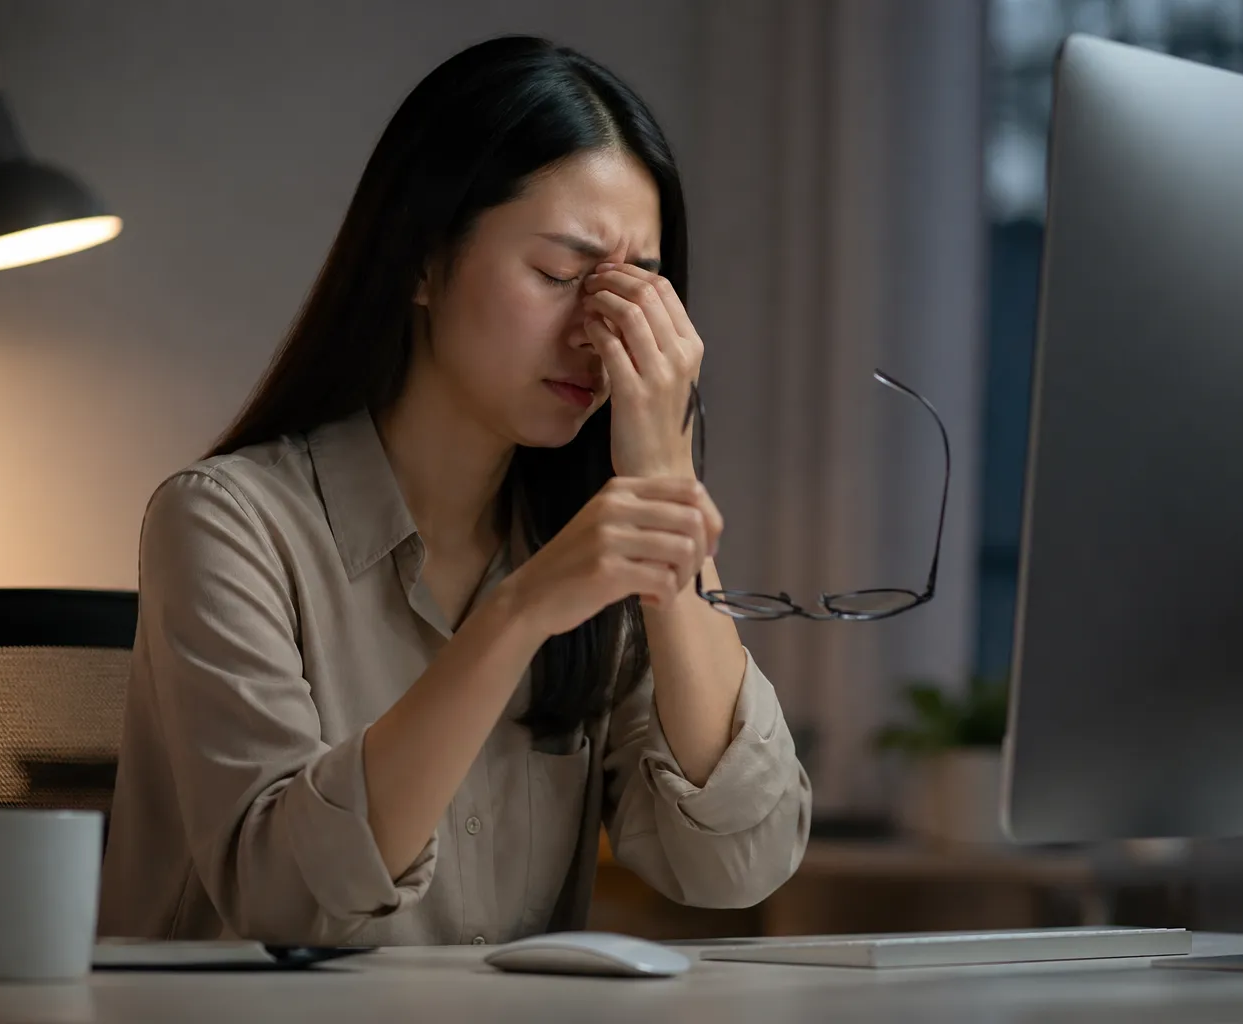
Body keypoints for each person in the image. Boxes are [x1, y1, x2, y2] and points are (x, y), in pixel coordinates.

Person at [98, 35, 812, 946]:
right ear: (422, 264)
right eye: (559, 275)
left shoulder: (589, 550)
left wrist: (664, 474)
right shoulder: (225, 522)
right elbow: (286, 903)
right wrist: (516, 616)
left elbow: (735, 862)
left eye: (638, 293)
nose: (601, 332)